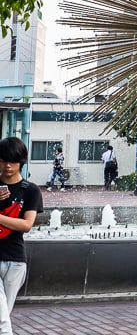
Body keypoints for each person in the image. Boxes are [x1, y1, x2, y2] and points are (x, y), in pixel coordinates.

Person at [0, 137, 42, 331]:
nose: (8, 165)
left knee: (3, 316)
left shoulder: (31, 190)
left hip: (16, 261)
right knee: (2, 322)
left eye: (13, 161)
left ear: (21, 162)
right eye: (3, 160)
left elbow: (26, 224)